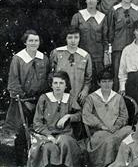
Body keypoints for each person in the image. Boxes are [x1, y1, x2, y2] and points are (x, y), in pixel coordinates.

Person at [4, 30, 50, 165]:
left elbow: (47, 80)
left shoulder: (44, 58)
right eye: (30, 41)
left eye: (36, 40)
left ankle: (38, 160)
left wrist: (42, 99)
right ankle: (20, 161)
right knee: (22, 131)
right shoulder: (18, 58)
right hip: (22, 101)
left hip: (39, 100)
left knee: (39, 129)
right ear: (25, 42)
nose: (33, 43)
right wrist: (23, 100)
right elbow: (13, 82)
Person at [28, 71, 82, 167]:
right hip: (45, 134)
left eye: (61, 83)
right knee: (49, 147)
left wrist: (68, 116)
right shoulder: (44, 99)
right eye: (55, 83)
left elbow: (79, 115)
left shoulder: (69, 98)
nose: (58, 86)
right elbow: (37, 123)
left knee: (66, 143)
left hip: (65, 134)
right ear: (51, 85)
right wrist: (49, 136)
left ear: (66, 85)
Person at [82, 68, 132, 167]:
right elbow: (86, 115)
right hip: (99, 132)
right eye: (104, 82)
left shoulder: (118, 97)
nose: (107, 84)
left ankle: (124, 163)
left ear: (113, 82)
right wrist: (101, 126)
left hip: (116, 130)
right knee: (109, 140)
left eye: (109, 81)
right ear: (99, 83)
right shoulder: (92, 97)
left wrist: (117, 126)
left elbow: (124, 115)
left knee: (130, 131)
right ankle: (107, 164)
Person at [71, 0, 108, 85]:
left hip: (98, 58)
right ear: (85, 0)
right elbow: (71, 37)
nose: (91, 0)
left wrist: (106, 54)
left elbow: (105, 39)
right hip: (81, 55)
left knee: (96, 84)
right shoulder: (78, 16)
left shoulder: (103, 17)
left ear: (97, 0)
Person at [107, 0, 138, 91]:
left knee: (133, 73)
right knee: (118, 74)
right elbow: (110, 30)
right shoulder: (115, 10)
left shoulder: (137, 10)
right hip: (118, 48)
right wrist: (110, 48)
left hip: (133, 48)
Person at [50, 26, 92, 110]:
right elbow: (51, 73)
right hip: (60, 94)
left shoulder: (85, 56)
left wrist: (85, 90)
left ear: (80, 38)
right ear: (66, 38)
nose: (73, 40)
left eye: (76, 37)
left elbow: (88, 78)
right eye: (70, 37)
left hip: (77, 95)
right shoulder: (57, 53)